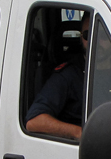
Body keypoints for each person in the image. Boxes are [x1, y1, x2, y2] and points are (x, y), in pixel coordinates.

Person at [25, 12, 89, 140]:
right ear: (81, 38)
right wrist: (79, 132)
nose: (95, 39)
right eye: (88, 35)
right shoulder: (67, 75)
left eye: (102, 35)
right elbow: (34, 121)